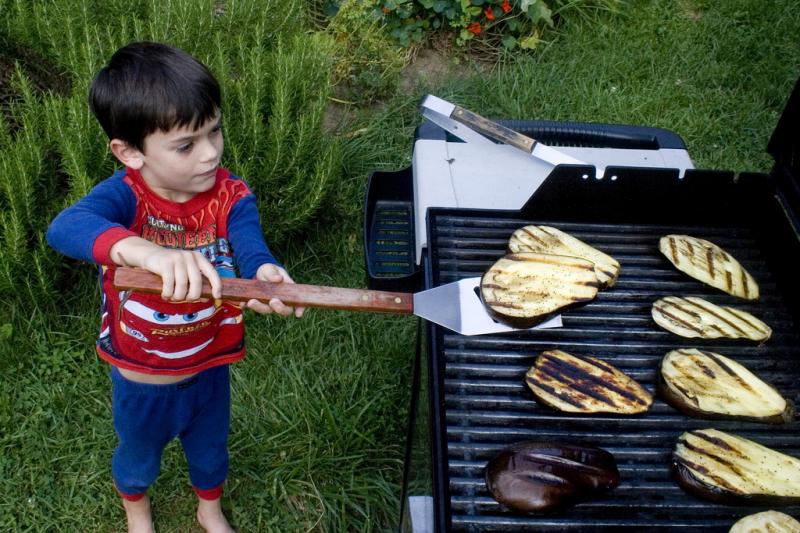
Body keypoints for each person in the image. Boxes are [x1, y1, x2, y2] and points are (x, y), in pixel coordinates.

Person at [46, 41, 303, 533]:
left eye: (215, 131)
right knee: (138, 457)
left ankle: (208, 508)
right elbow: (66, 226)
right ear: (130, 152)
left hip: (211, 365)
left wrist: (265, 273)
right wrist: (146, 251)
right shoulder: (125, 195)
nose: (210, 153)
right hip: (142, 378)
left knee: (210, 452)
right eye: (186, 145)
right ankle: (137, 513)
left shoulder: (231, 195)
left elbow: (251, 248)